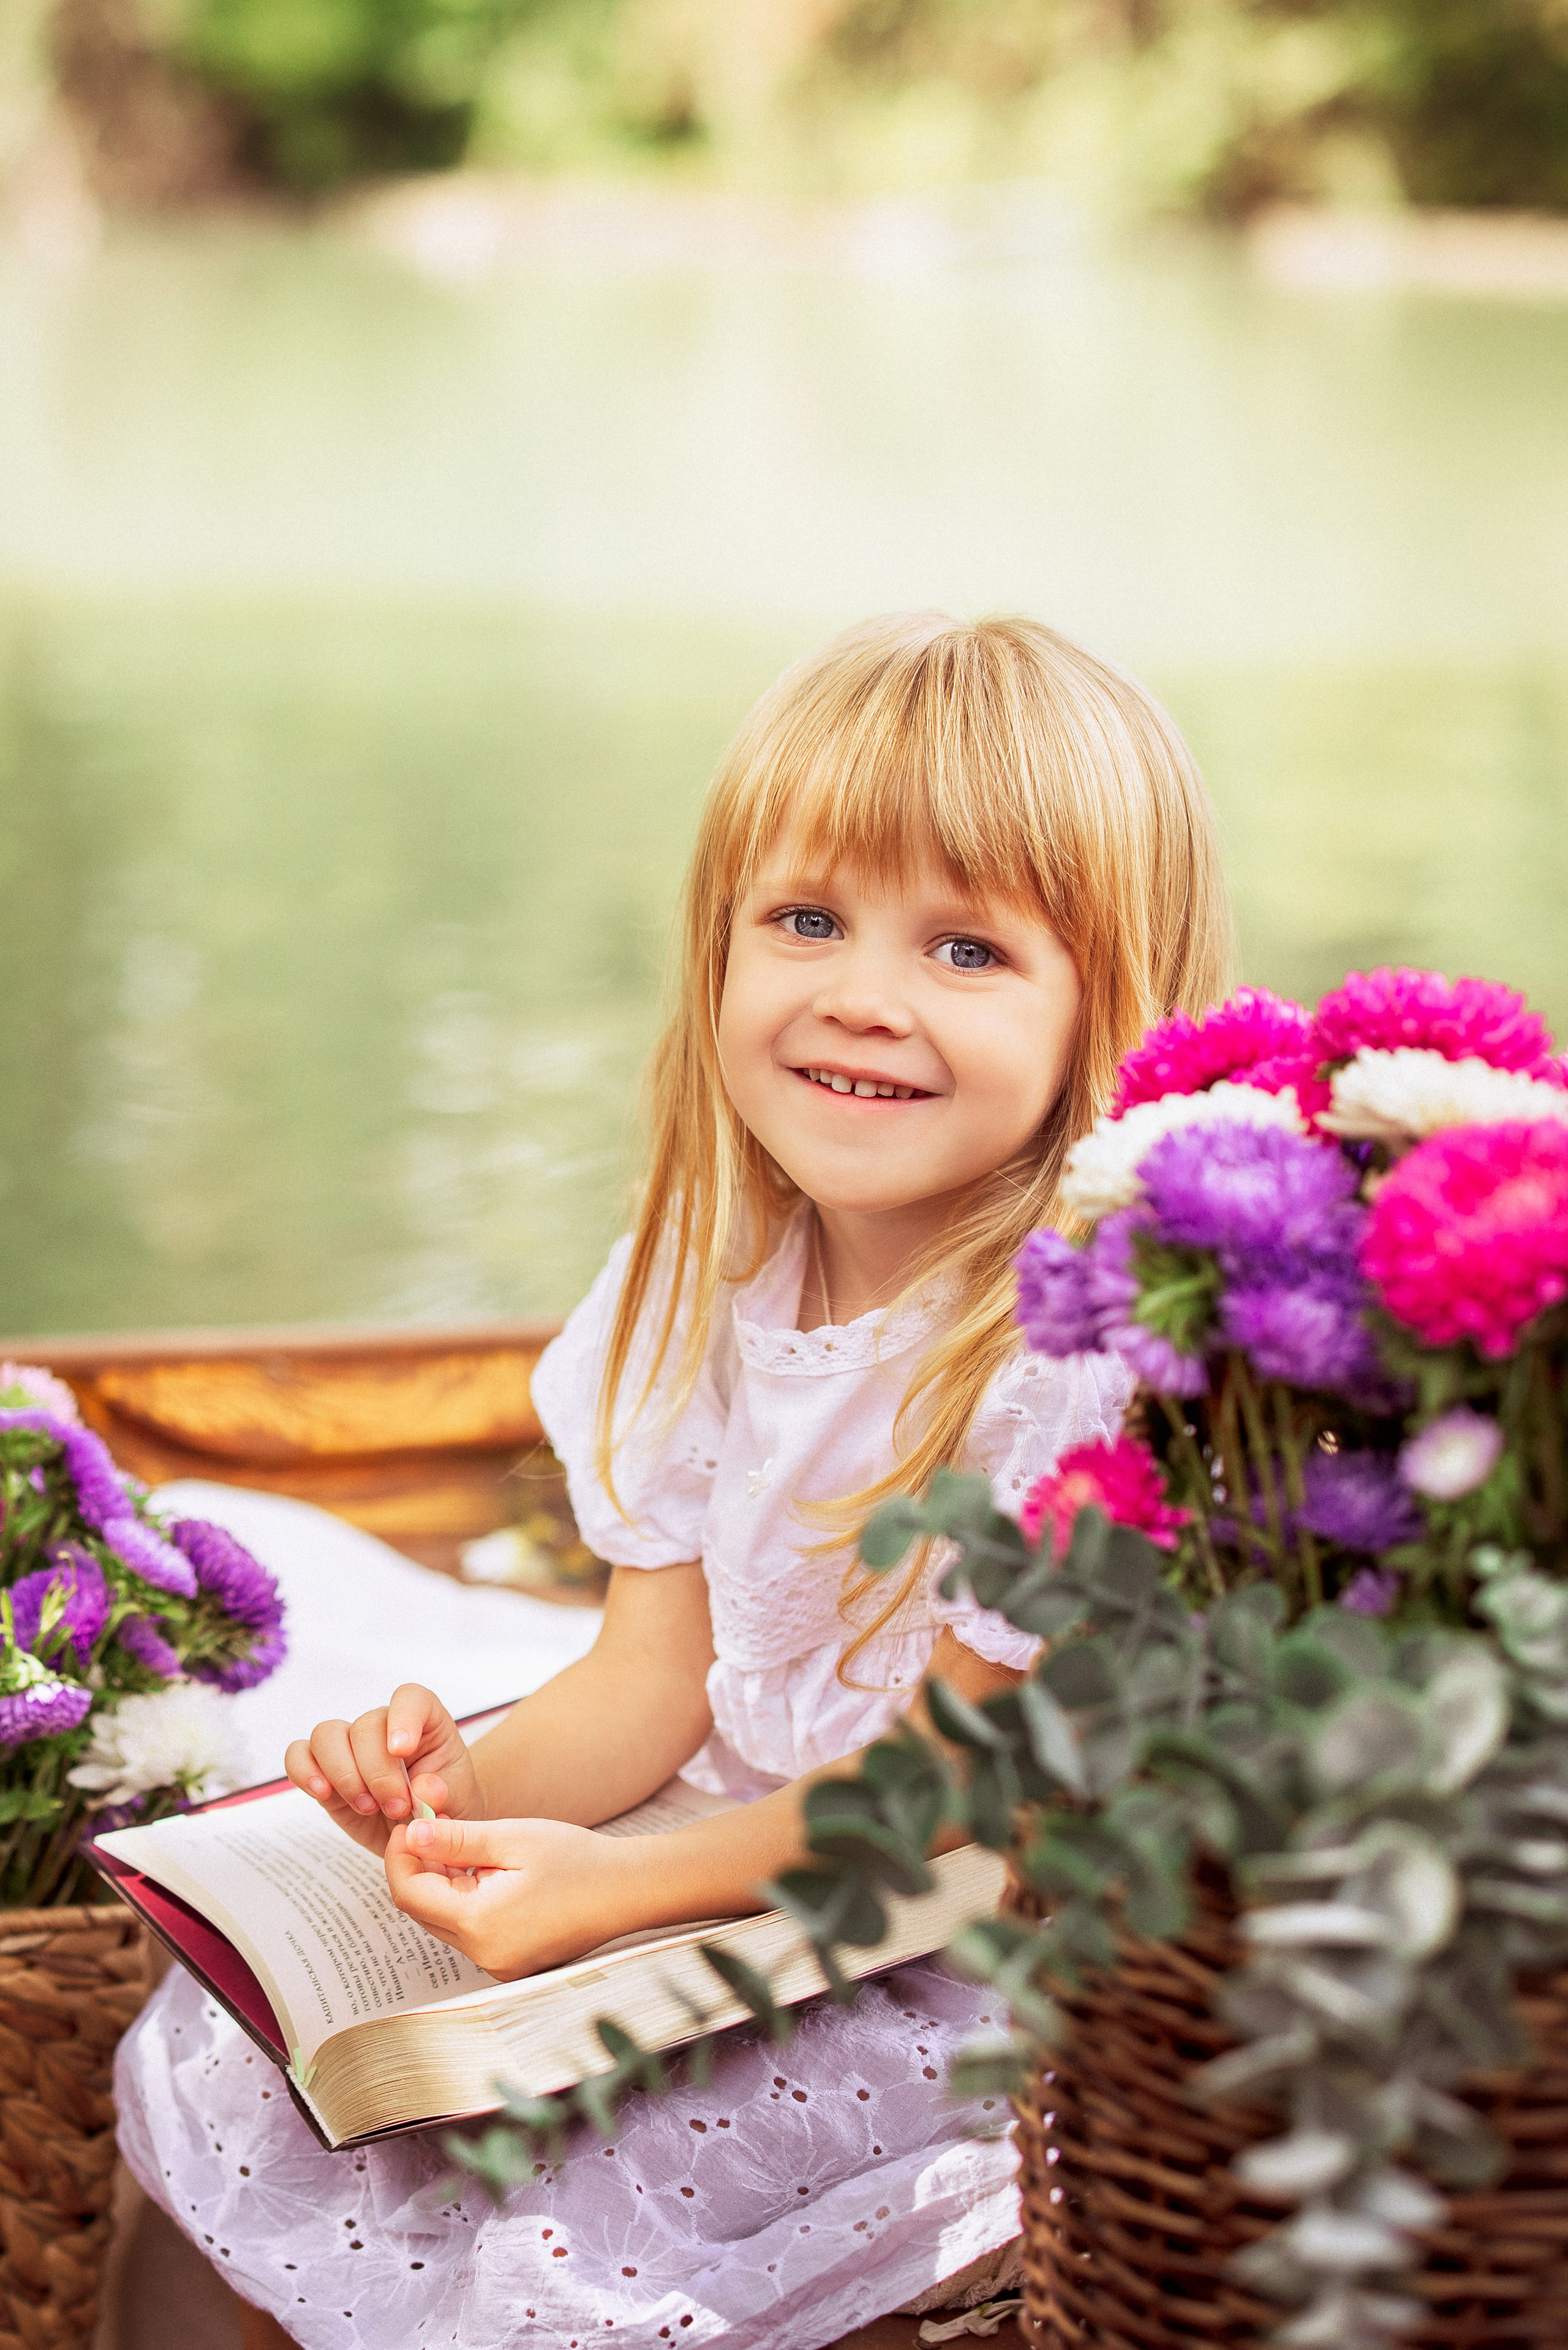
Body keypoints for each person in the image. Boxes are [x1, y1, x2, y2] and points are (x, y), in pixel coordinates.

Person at [115, 611, 1233, 2349]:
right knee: (215, 2061)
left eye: (965, 949)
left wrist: (607, 1892)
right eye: (805, 919)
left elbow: (954, 1776)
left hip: (934, 1947)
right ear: (717, 950)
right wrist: (441, 1798)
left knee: (576, 2209)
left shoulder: (1068, 1354)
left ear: (1112, 1006)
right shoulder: (691, 1293)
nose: (862, 993)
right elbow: (649, 1688)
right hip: (697, 1867)